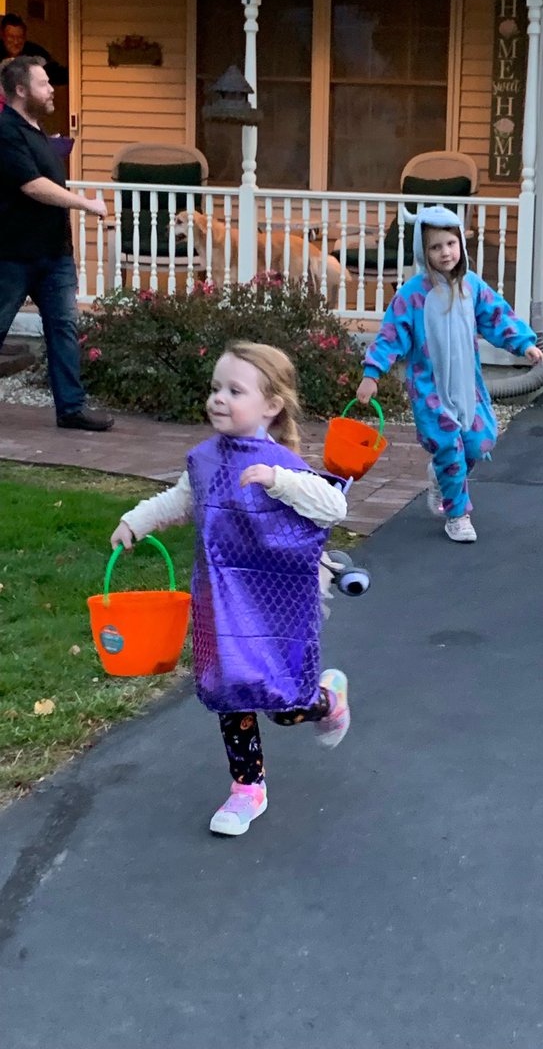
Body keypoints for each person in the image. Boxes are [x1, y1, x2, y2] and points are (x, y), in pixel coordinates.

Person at [110, 342, 351, 837]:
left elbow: (333, 506)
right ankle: (247, 788)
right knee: (230, 691)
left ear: (271, 405)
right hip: (221, 602)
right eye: (215, 388)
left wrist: (279, 480)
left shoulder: (280, 461)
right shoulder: (203, 461)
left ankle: (327, 700)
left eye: (234, 391)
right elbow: (181, 501)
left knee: (284, 704)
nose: (218, 398)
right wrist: (135, 522)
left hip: (272, 605)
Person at [356, 204, 543, 543]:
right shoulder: (412, 296)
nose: (445, 252)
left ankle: (442, 478)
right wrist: (372, 373)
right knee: (448, 447)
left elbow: (498, 316)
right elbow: (390, 335)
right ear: (423, 252)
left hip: (467, 386)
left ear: (461, 244)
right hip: (430, 390)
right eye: (435, 247)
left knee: (478, 443)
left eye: (450, 243)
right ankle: (457, 514)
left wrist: (524, 344)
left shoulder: (471, 287)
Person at [0, 55, 112, 431]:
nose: (51, 90)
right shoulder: (6, 131)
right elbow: (32, 186)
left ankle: (71, 409)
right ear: (21, 90)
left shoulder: (36, 130)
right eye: (43, 84)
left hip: (55, 254)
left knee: (63, 328)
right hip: (12, 255)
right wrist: (86, 204)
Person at [1, 14, 68, 87]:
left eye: (20, 37)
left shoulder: (36, 53)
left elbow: (56, 74)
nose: (16, 42)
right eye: (11, 37)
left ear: (25, 37)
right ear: (3, 36)